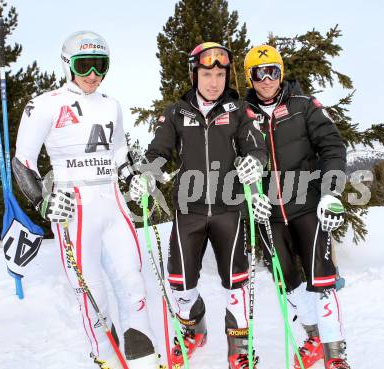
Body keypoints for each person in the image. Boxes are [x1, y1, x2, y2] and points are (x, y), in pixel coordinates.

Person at [12, 31, 159, 369]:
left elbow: (120, 153)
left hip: (112, 202)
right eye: (84, 65)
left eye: (101, 65)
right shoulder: (45, 104)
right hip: (74, 208)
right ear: (68, 65)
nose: (93, 74)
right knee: (92, 294)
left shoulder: (111, 105)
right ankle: (106, 357)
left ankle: (144, 360)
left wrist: (133, 178)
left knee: (133, 284)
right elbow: (22, 163)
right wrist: (42, 202)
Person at [129, 42, 267, 369]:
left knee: (237, 280)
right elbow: (158, 152)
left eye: (219, 74)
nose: (214, 81)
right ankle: (194, 331)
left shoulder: (238, 111)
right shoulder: (177, 112)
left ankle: (240, 348)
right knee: (180, 281)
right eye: (207, 73)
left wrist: (255, 163)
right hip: (188, 210)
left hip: (228, 210)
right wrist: (147, 175)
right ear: (195, 74)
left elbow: (257, 148)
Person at [243, 45, 351, 369]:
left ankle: (335, 356)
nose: (266, 80)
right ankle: (313, 337)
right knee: (287, 280)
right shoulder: (240, 115)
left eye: (272, 71)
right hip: (268, 214)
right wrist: (251, 195)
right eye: (259, 73)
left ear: (281, 73)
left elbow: (332, 145)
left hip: (308, 205)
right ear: (250, 77)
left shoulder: (304, 106)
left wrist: (331, 193)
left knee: (322, 278)